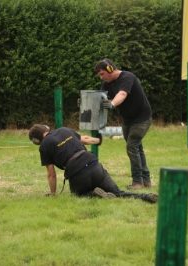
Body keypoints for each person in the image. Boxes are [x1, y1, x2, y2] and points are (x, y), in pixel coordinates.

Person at [28, 124, 157, 203]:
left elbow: (51, 174)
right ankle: (145, 197)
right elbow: (84, 139)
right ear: (46, 128)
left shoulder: (44, 146)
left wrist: (53, 193)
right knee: (118, 193)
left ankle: (94, 194)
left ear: (36, 140)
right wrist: (98, 140)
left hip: (76, 173)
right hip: (93, 163)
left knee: (78, 195)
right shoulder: (64, 130)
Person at [94, 58, 152, 189]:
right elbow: (101, 97)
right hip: (128, 120)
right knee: (137, 148)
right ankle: (146, 181)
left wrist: (111, 104)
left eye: (102, 74)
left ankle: (137, 182)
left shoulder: (127, 77)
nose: (101, 78)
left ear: (110, 68)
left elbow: (122, 94)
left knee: (132, 147)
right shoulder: (107, 83)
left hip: (142, 118)